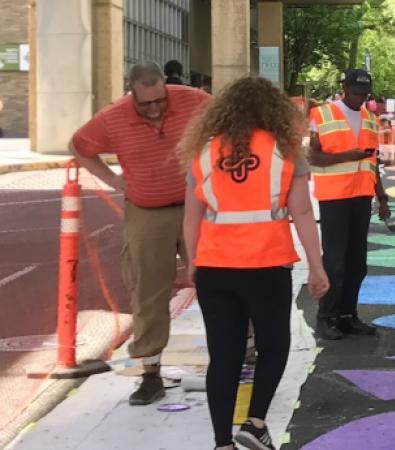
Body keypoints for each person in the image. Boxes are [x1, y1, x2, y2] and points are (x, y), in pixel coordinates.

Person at [178, 75, 330, 450]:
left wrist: (193, 261)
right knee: (274, 347)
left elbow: (191, 216)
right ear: (274, 110)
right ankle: (256, 421)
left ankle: (221, 443)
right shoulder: (286, 150)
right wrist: (316, 265)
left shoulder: (204, 151)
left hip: (216, 265)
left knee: (224, 356)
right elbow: (303, 213)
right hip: (267, 263)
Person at [69, 62, 212, 405]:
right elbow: (78, 147)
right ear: (130, 93)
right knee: (148, 291)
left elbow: (231, 123)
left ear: (166, 87)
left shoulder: (194, 101)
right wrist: (112, 180)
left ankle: (244, 348)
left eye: (160, 100)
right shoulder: (112, 117)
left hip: (198, 206)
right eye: (145, 103)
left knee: (219, 279)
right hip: (147, 212)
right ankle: (150, 373)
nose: (154, 109)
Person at [307, 69, 389, 340]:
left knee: (357, 262)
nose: (360, 100)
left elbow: (372, 161)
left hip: (361, 196)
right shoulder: (322, 114)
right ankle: (326, 316)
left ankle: (347, 315)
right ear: (344, 89)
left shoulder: (370, 118)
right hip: (334, 197)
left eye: (365, 95)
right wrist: (346, 157)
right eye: (356, 94)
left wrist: (382, 197)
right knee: (334, 260)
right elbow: (313, 158)